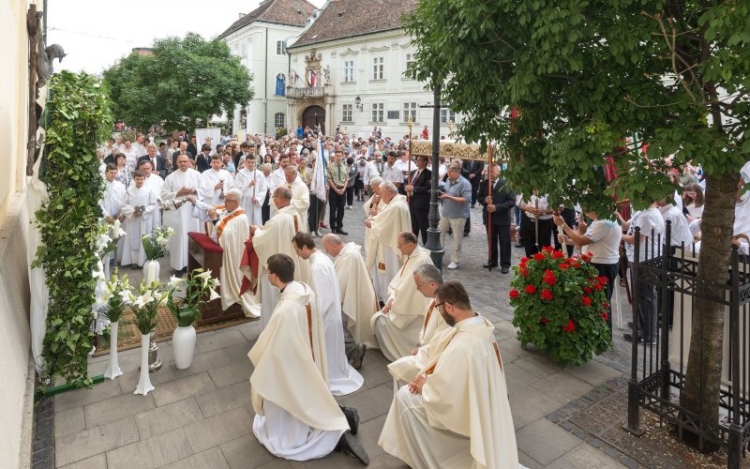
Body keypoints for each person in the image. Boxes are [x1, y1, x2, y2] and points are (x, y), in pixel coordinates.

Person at [379, 281, 520, 469]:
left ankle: (428, 457)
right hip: (485, 402)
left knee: (405, 397)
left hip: (466, 415)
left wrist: (425, 387)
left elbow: (446, 399)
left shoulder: (466, 345)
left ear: (448, 307)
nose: (437, 312)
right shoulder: (479, 323)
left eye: (437, 307)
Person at [248, 254, 368, 465]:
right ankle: (341, 416)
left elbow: (275, 349)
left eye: (268, 271)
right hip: (308, 354)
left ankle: (335, 434)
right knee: (308, 394)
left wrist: (262, 362)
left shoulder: (286, 309)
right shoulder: (304, 290)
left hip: (293, 361)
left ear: (274, 276)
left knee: (281, 399)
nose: (267, 274)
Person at [293, 233, 364, 395]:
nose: (297, 254)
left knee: (327, 354)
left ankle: (328, 376)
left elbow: (325, 300)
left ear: (305, 247)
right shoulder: (323, 259)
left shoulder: (317, 267)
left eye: (297, 250)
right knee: (331, 352)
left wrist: (314, 322)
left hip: (326, 318)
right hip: (331, 316)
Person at [553, 208, 622, 334]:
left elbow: (581, 240)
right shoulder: (601, 220)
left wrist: (563, 225)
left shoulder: (603, 222)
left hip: (602, 264)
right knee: (597, 299)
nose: (585, 212)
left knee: (602, 301)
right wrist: (568, 241)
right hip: (599, 262)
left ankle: (603, 334)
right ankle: (596, 332)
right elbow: (587, 240)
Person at [196, 189, 261, 318]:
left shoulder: (241, 218)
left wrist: (215, 220)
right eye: (225, 199)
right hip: (225, 251)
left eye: (227, 200)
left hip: (234, 256)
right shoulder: (229, 211)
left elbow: (227, 237)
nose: (224, 202)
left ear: (236, 202)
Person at [371, 231, 434, 362]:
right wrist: (392, 297)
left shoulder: (421, 260)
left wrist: (393, 303)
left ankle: (401, 352)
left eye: (400, 245)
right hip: (404, 300)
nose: (398, 248)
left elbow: (410, 288)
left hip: (414, 308)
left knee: (380, 320)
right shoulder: (412, 256)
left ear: (410, 245)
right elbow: (400, 281)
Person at [250, 186, 306, 329]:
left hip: (277, 269)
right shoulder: (295, 214)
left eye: (273, 198)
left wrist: (256, 231)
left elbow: (262, 241)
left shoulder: (278, 219)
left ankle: (271, 332)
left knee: (273, 301)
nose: (273, 201)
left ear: (280, 198)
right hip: (290, 262)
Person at [321, 233, 377, 362]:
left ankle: (353, 350)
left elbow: (340, 284)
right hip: (350, 294)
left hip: (351, 298)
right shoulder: (347, 253)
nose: (327, 252)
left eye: (327, 248)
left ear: (334, 245)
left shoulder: (349, 256)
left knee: (338, 320)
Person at [620, 201, 665, 343]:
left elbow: (636, 239)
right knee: (640, 295)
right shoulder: (641, 212)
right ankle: (641, 326)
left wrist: (618, 236)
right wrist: (615, 214)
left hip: (646, 259)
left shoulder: (649, 216)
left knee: (645, 296)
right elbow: (627, 226)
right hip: (637, 257)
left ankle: (648, 333)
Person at [365, 182, 411, 302]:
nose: (381, 197)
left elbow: (385, 227)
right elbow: (385, 218)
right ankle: (382, 295)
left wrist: (372, 224)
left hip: (391, 246)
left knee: (390, 272)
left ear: (389, 194)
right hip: (391, 242)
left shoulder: (396, 206)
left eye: (382, 194)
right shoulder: (396, 202)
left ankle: (389, 299)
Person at [161, 154, 203, 276]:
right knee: (178, 239)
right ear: (176, 162)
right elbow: (163, 195)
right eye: (180, 161)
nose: (183, 164)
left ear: (189, 161)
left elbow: (205, 190)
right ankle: (178, 267)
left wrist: (194, 191)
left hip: (192, 212)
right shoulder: (171, 177)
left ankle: (193, 265)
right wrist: (178, 193)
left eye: (185, 161)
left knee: (192, 237)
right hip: (177, 212)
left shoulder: (196, 175)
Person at [477, 164, 516, 273]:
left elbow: (511, 201)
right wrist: (485, 200)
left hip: (502, 218)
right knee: (491, 240)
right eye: (488, 171)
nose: (490, 173)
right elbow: (479, 197)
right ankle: (492, 260)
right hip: (489, 217)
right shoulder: (484, 183)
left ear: (498, 172)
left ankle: (505, 264)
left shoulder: (506, 184)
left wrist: (497, 207)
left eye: (492, 171)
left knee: (504, 241)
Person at [120, 170, 157, 269]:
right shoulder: (128, 191)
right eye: (137, 179)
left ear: (144, 179)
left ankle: (142, 261)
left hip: (144, 219)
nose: (139, 181)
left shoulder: (149, 191)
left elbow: (153, 204)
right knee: (132, 239)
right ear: (134, 179)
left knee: (143, 238)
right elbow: (124, 204)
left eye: (141, 179)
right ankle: (132, 261)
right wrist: (132, 211)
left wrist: (143, 212)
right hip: (132, 219)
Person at [438, 163, 472, 269]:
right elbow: (447, 193)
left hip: (458, 214)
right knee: (440, 233)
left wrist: (449, 197)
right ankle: (439, 255)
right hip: (446, 212)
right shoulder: (448, 180)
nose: (448, 174)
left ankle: (455, 260)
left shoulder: (465, 183)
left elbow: (466, 200)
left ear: (457, 172)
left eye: (450, 172)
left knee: (457, 238)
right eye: (448, 171)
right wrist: (443, 195)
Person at [517, 191, 553, 257]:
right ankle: (530, 266)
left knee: (545, 249)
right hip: (529, 221)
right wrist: (526, 208)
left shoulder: (550, 189)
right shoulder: (527, 189)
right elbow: (519, 204)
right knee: (529, 248)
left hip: (544, 223)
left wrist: (543, 212)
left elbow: (559, 208)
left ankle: (544, 266)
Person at [405, 156, 432, 244]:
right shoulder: (412, 172)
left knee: (424, 226)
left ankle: (426, 244)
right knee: (413, 226)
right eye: (417, 159)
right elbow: (407, 182)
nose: (417, 161)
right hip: (411, 202)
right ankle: (413, 244)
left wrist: (414, 188)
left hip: (421, 204)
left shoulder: (429, 174)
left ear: (425, 162)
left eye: (420, 160)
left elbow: (427, 187)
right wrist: (406, 187)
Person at [234, 156, 266, 226]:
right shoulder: (240, 174)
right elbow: (237, 189)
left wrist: (258, 199)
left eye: (253, 162)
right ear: (245, 162)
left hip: (255, 201)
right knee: (245, 220)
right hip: (244, 200)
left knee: (256, 222)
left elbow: (263, 189)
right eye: (249, 162)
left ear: (255, 163)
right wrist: (248, 185)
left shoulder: (259, 174)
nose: (251, 164)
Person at [327, 148, 349, 235]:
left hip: (342, 190)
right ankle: (333, 227)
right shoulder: (330, 166)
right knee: (333, 209)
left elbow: (347, 179)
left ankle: (340, 226)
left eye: (340, 156)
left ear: (342, 156)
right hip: (334, 190)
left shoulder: (344, 166)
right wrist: (336, 190)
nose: (338, 157)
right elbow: (329, 179)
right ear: (334, 157)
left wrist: (343, 189)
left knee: (341, 209)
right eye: (337, 156)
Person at [285, 165, 311, 232]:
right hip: (285, 219)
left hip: (298, 218)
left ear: (295, 175)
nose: (287, 178)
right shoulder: (283, 184)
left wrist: (288, 202)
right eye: (286, 176)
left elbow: (305, 203)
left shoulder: (302, 186)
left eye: (289, 176)